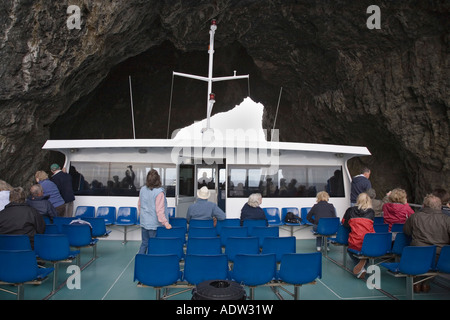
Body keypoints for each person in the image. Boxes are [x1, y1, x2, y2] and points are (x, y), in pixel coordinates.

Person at [403, 194, 450, 293]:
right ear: (440, 206)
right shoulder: (447, 220)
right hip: (440, 256)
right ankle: (426, 284)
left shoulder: (415, 217)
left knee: (420, 254)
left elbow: (406, 231)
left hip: (418, 254)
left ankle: (416, 283)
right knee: (432, 258)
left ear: (424, 205)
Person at [137, 169, 172, 254]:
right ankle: (152, 265)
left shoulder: (142, 189)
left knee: (144, 243)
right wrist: (166, 223)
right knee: (154, 245)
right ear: (158, 179)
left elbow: (139, 205)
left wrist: (143, 217)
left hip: (144, 222)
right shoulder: (159, 192)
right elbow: (159, 210)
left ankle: (140, 264)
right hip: (154, 225)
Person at [342, 192, 375, 279]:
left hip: (355, 241)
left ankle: (360, 265)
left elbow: (344, 224)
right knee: (367, 250)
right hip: (370, 242)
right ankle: (363, 262)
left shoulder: (350, 210)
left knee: (349, 249)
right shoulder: (371, 212)